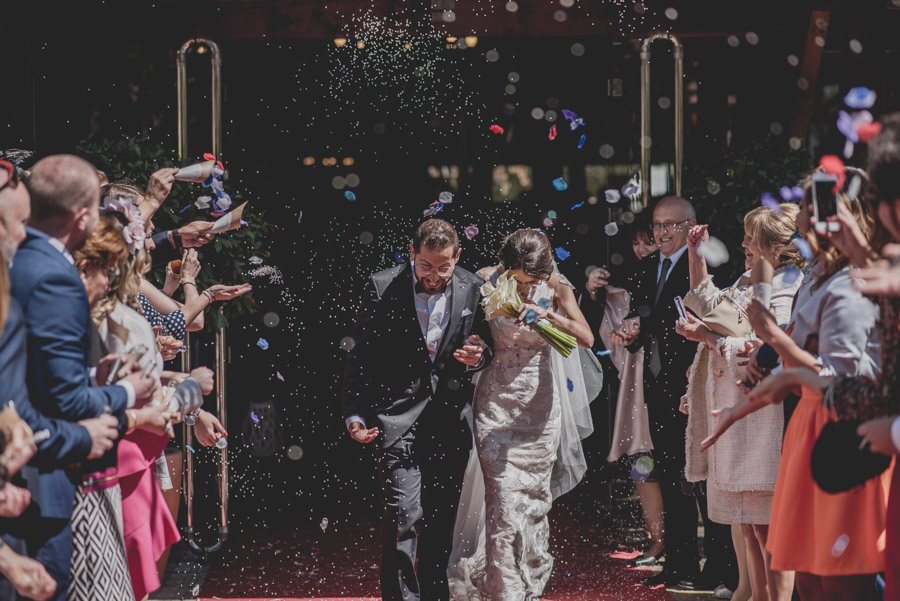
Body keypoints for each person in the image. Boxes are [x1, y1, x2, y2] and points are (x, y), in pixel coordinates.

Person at [704, 167, 884, 601]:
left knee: (840, 576)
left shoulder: (852, 283)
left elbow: (839, 378)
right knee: (808, 576)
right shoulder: (819, 275)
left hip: (843, 431)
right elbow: (794, 352)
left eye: (806, 206)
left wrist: (772, 337)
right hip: (807, 425)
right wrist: (761, 366)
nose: (798, 215)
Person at [6, 155, 156, 600]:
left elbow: (32, 372)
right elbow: (64, 401)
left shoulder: (21, 263)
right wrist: (126, 393)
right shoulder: (54, 276)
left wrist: (91, 375)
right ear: (84, 217)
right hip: (40, 475)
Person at [341, 218, 492, 601]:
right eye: (425, 266)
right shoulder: (381, 286)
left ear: (458, 256)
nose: (434, 276)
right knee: (403, 516)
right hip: (395, 419)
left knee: (441, 522)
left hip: (450, 421)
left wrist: (478, 357)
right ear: (412, 253)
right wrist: (355, 413)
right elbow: (359, 356)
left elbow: (487, 347)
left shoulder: (474, 288)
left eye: (444, 267)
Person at [448, 228, 596, 601]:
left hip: (540, 405)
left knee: (530, 501)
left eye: (533, 283)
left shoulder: (558, 287)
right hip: (495, 402)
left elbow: (586, 338)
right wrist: (474, 345)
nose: (526, 289)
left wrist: (548, 316)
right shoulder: (486, 281)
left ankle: (521, 576)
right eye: (519, 281)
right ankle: (506, 589)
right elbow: (467, 331)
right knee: (501, 499)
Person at [676, 204, 804, 601]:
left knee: (767, 530)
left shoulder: (787, 286)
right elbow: (710, 305)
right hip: (739, 408)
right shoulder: (751, 278)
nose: (744, 244)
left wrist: (709, 338)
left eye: (752, 239)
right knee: (748, 526)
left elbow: (766, 346)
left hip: (765, 414)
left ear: (776, 250)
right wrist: (696, 256)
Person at [610, 196, 735, 590]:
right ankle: (680, 565)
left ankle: (720, 567)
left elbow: (718, 319)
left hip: (696, 385)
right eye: (657, 224)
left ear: (690, 226)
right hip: (658, 386)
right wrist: (630, 331)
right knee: (670, 475)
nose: (661, 232)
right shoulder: (647, 267)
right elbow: (644, 319)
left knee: (703, 480)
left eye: (670, 225)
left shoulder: (709, 266)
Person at [579, 215, 664, 567]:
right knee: (641, 459)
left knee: (665, 461)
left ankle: (670, 542)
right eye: (636, 243)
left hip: (660, 375)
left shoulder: (671, 277)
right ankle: (657, 539)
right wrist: (592, 291)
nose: (642, 250)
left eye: (649, 242)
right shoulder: (625, 281)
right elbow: (597, 332)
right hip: (634, 377)